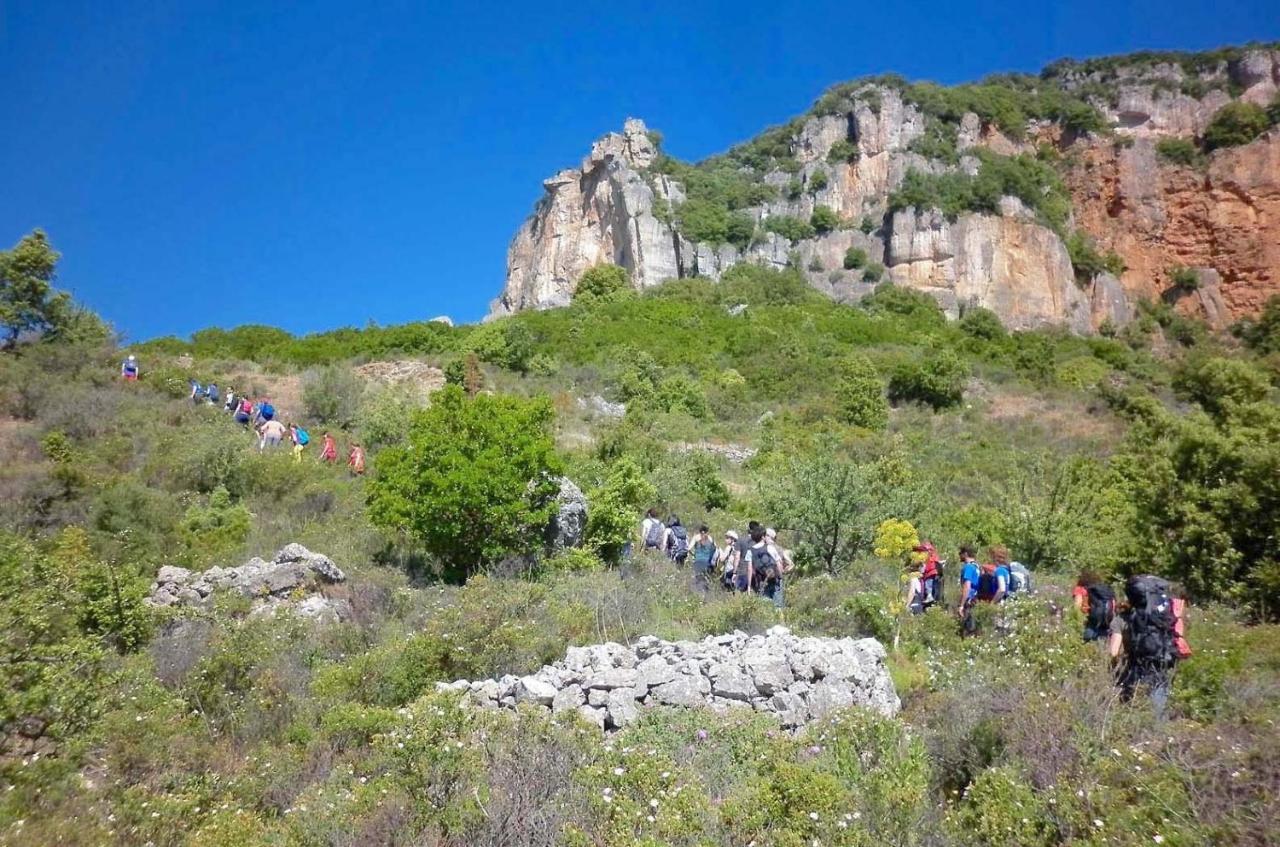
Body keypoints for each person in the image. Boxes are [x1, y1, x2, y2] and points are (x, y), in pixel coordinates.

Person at [1109, 575, 1182, 720]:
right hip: (1164, 665)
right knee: (1158, 710)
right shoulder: (1163, 614)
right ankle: (1158, 736)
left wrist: (1115, 671)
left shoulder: (1122, 619)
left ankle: (1131, 737)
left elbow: (1113, 653)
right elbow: (1178, 636)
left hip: (1137, 668)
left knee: (1131, 710)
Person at [1077, 571, 1116, 643]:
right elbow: (1114, 606)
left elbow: (1081, 607)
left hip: (1093, 621)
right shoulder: (1107, 591)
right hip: (1107, 620)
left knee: (1087, 639)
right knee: (1104, 639)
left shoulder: (1087, 590)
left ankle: (1087, 648)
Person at [957, 545, 980, 635]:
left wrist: (961, 605)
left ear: (965, 554)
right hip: (976, 599)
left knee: (968, 629)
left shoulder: (968, 567)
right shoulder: (977, 567)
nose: (959, 555)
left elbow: (967, 586)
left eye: (960, 553)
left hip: (969, 601)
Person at [690, 524, 717, 595]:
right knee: (705, 580)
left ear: (700, 530)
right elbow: (715, 549)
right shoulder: (710, 538)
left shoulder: (696, 537)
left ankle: (698, 596)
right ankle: (706, 595)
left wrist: (693, 555)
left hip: (697, 562)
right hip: (707, 563)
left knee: (697, 580)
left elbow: (689, 548)